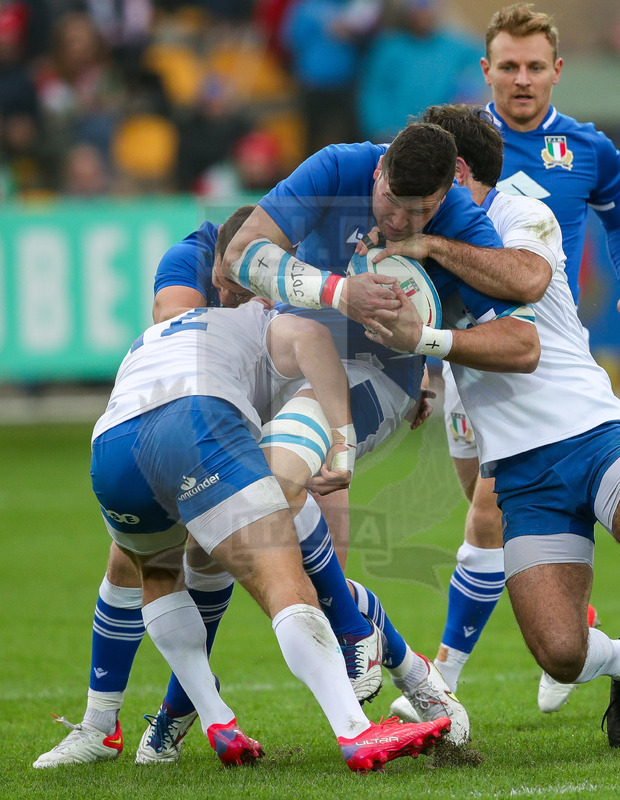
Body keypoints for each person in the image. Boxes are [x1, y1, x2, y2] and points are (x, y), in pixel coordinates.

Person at [41, 297, 453, 773]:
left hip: (110, 443)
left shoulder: (158, 332)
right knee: (281, 578)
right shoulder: (261, 315)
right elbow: (313, 339)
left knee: (155, 573)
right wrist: (343, 436)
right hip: (195, 420)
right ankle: (356, 730)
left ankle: (215, 719)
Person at [365, 104, 620, 749]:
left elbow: (528, 282)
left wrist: (432, 248)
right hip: (520, 470)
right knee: (561, 654)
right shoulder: (427, 233)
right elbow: (432, 322)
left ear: (455, 172)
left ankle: (444, 671)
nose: (412, 214)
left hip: (591, 432)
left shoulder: (518, 210)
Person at [424, 2, 620, 717]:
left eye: (536, 66)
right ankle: (598, 656)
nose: (523, 78)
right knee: (559, 650)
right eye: (509, 66)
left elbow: (530, 299)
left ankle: (442, 678)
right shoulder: (447, 160)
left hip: (580, 407)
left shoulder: (527, 197)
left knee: (481, 515)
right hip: (496, 421)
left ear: (558, 71)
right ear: (488, 71)